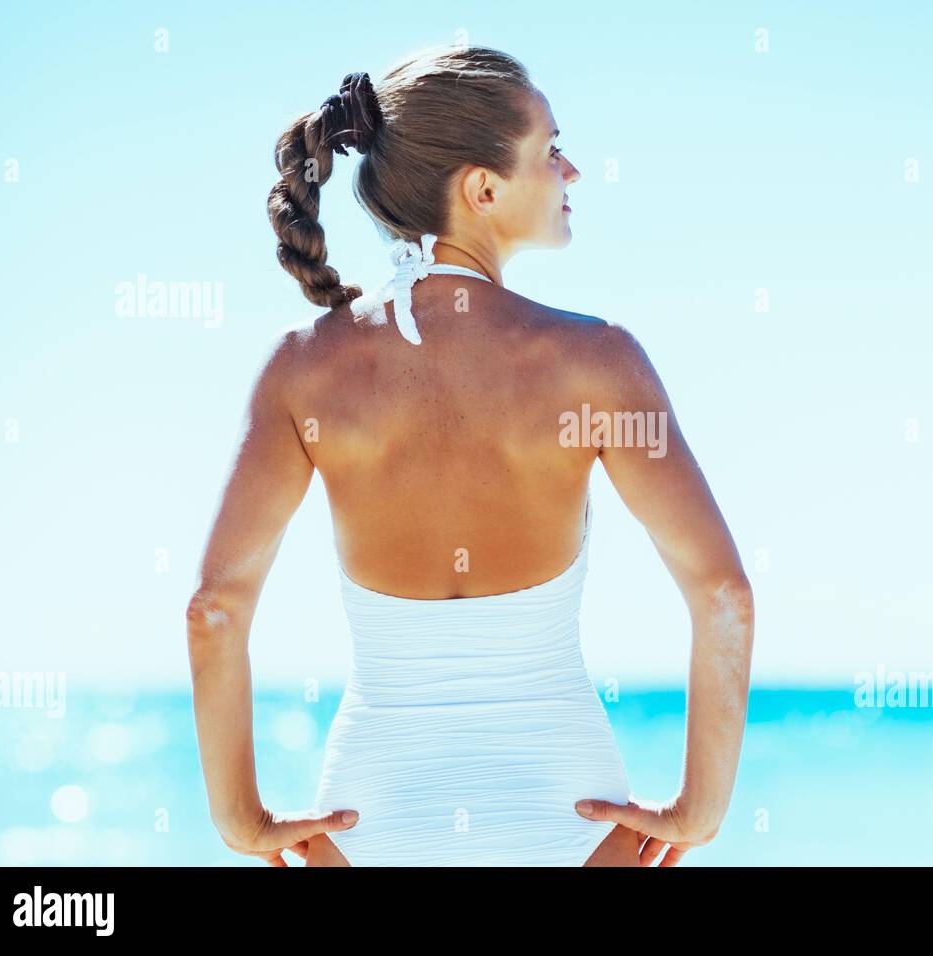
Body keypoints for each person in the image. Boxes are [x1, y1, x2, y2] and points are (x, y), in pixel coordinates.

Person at [186, 45, 754, 867]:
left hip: (368, 819)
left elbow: (215, 610)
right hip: (572, 817)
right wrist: (701, 807)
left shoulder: (303, 369)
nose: (574, 171)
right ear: (483, 189)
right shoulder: (598, 363)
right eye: (552, 149)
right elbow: (723, 594)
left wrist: (239, 820)